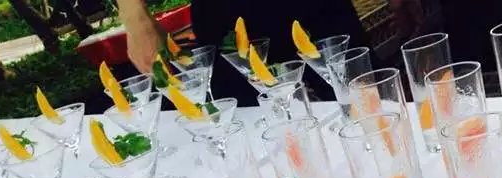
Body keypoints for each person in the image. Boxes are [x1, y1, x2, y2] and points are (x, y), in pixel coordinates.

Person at [117, 0, 373, 105]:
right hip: (227, 15)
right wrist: (134, 14)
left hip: (314, 9)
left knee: (365, 101)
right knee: (258, 128)